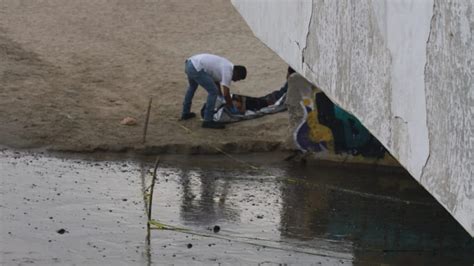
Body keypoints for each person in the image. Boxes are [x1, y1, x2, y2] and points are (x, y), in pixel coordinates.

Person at [180, 53, 247, 129]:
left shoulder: (227, 65)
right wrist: (231, 107)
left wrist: (220, 95)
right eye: (238, 78)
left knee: (192, 87)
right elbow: (226, 94)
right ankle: (208, 120)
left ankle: (185, 113)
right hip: (196, 68)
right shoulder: (228, 72)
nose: (236, 81)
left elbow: (215, 81)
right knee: (213, 92)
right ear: (236, 73)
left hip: (190, 63)